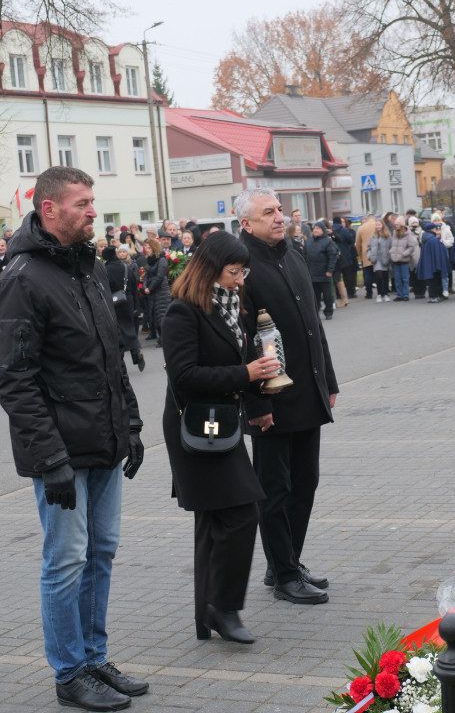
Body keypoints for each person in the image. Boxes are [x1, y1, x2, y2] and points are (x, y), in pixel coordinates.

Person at [0, 166, 148, 711]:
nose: (92, 211)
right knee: (66, 560)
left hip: (103, 440)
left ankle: (94, 657)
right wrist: (49, 458)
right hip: (60, 451)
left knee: (100, 552)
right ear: (49, 209)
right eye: (82, 203)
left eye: (93, 201)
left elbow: (110, 360)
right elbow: (15, 381)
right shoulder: (23, 278)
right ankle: (68, 672)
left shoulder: (89, 268)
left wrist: (129, 425)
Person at [162, 232, 276, 644]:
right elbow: (185, 375)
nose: (240, 280)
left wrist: (262, 388)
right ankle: (223, 607)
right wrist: (246, 374)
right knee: (242, 512)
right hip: (194, 427)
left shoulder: (230, 306)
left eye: (243, 271)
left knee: (215, 520)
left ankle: (210, 610)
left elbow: (236, 365)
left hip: (221, 422)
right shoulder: (182, 311)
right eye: (234, 271)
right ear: (211, 268)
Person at [234, 188, 339, 606]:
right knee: (275, 489)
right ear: (247, 224)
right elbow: (242, 343)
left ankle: (286, 560)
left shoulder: (292, 254)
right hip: (271, 400)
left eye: (279, 210)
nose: (280, 217)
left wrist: (327, 380)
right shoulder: (240, 268)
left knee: (305, 482)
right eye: (269, 212)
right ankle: (284, 575)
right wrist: (256, 405)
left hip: (306, 391)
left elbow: (314, 326)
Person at [102, 246, 145, 373]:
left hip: (113, 301)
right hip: (128, 300)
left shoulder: (105, 269)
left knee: (116, 330)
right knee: (129, 326)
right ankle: (136, 352)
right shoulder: (126, 267)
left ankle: (119, 359)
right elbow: (133, 283)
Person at [304, 221, 339, 319]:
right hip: (312, 274)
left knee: (327, 296)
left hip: (325, 273)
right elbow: (304, 256)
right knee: (315, 296)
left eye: (318, 228)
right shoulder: (308, 242)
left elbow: (333, 256)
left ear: (323, 231)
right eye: (315, 228)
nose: (315, 230)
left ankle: (328, 312)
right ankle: (316, 313)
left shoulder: (328, 241)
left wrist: (330, 270)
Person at [142, 238, 171, 344]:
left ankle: (164, 339)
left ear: (154, 248)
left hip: (161, 291)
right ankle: (160, 338)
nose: (147, 249)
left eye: (149, 247)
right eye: (146, 247)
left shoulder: (161, 259)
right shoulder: (149, 259)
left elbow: (160, 276)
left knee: (161, 315)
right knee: (154, 315)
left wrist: (150, 288)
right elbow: (146, 275)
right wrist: (145, 286)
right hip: (152, 292)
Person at [416, 222, 450, 303]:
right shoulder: (433, 240)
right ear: (432, 229)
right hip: (435, 264)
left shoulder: (426, 239)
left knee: (432, 281)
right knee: (435, 280)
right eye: (435, 229)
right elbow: (438, 253)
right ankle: (434, 296)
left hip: (429, 263)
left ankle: (434, 295)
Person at [389, 216, 419, 301]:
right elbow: (393, 245)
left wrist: (403, 254)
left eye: (397, 225)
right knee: (397, 279)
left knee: (405, 278)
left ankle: (405, 294)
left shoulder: (408, 234)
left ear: (401, 225)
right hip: (395, 259)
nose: (396, 226)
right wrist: (391, 252)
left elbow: (411, 247)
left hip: (404, 260)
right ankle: (399, 295)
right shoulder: (394, 233)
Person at [366, 218, 392, 302]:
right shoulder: (373, 236)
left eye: (379, 225)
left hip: (385, 257)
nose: (378, 226)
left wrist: (390, 255)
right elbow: (368, 247)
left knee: (385, 276)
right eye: (376, 225)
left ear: (382, 225)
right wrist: (369, 256)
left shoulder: (388, 235)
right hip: (376, 258)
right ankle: (379, 294)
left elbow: (391, 246)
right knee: (379, 276)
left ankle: (386, 294)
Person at [332, 216, 357, 299]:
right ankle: (350, 293)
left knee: (337, 276)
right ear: (340, 222)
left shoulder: (331, 230)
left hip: (335, 256)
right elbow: (350, 240)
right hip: (345, 255)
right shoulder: (344, 230)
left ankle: (338, 294)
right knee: (347, 275)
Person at [355, 214, 377, 299]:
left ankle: (369, 293)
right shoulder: (378, 225)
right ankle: (382, 292)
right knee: (379, 273)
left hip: (366, 253)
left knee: (368, 274)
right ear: (374, 219)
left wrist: (360, 253)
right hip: (377, 252)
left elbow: (358, 243)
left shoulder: (361, 228)